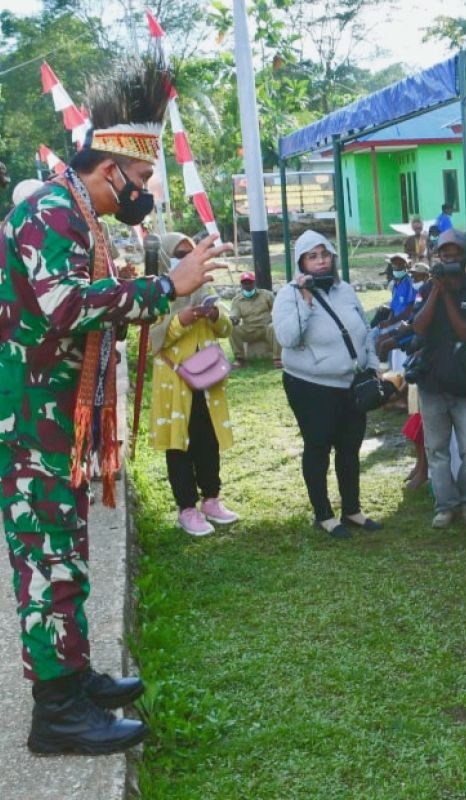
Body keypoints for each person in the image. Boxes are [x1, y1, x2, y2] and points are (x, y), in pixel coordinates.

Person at [1, 56, 227, 754]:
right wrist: (168, 288)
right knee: (46, 564)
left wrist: (160, 271)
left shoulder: (77, 210)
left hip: (53, 423)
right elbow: (66, 306)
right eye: (144, 181)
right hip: (30, 424)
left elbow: (85, 288)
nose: (147, 193)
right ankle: (58, 714)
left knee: (63, 559)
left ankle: (72, 678)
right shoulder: (47, 209)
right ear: (112, 172)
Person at [274, 230, 384, 539]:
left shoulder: (345, 289)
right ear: (301, 263)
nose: (321, 261)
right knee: (318, 447)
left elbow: (364, 331)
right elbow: (287, 339)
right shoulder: (289, 295)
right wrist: (306, 302)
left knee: (350, 447)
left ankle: (352, 509)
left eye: (325, 255)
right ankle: (323, 514)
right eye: (313, 256)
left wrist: (372, 366)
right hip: (311, 386)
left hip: (352, 384)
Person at [149, 232, 239, 537]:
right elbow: (153, 339)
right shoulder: (155, 291)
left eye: (190, 252)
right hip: (174, 383)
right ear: (165, 258)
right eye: (179, 253)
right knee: (180, 444)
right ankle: (186, 508)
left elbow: (226, 328)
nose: (187, 258)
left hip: (207, 380)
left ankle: (211, 499)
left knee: (208, 439)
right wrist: (181, 319)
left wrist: (213, 313)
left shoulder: (203, 286)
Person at [408, 229, 466, 528]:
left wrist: (450, 295)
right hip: (433, 382)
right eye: (445, 255)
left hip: (464, 383)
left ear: (465, 257)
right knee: (436, 450)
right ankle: (445, 505)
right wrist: (437, 290)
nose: (450, 259)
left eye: (456, 254)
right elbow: (419, 327)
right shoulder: (428, 288)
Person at [229, 270, 281, 368]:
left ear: (254, 283)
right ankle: (240, 359)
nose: (247, 285)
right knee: (232, 328)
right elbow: (234, 314)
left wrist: (275, 318)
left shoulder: (267, 295)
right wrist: (233, 319)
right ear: (241, 285)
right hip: (250, 330)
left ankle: (277, 359)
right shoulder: (237, 300)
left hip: (266, 327)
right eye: (245, 283)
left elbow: (277, 309)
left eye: (250, 282)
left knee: (274, 326)